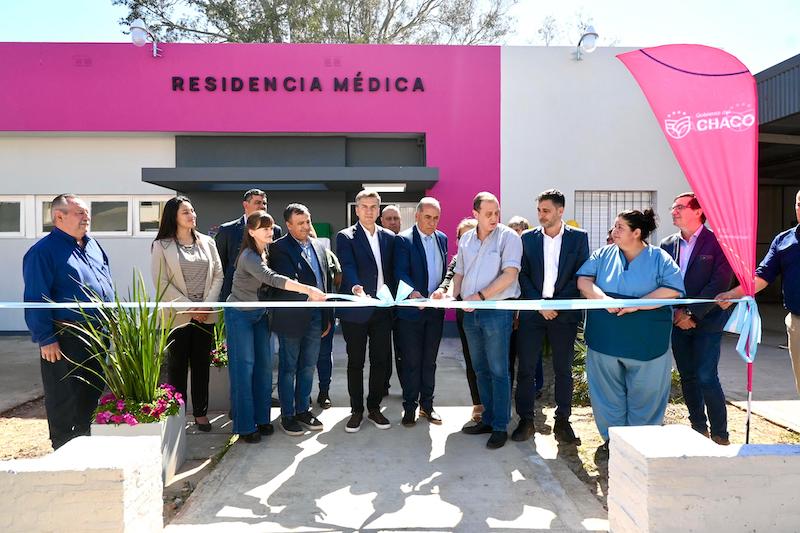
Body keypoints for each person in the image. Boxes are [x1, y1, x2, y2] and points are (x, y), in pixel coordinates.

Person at [577, 209, 684, 449]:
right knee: (607, 395)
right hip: (605, 340)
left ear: (637, 233)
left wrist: (637, 305)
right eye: (614, 227)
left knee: (646, 395)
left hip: (647, 344)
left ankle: (640, 444)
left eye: (619, 228)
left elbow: (673, 289)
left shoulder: (660, 258)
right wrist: (602, 298)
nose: (613, 232)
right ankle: (613, 442)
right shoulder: (602, 255)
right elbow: (583, 280)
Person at [23, 194, 115, 450]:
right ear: (58, 217)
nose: (86, 217)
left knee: (92, 391)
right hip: (65, 338)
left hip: (98, 334)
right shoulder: (43, 252)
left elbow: (106, 284)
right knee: (65, 395)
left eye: (86, 213)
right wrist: (46, 338)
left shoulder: (93, 245)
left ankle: (85, 443)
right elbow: (35, 298)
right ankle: (63, 447)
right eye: (79, 213)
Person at [225, 211, 325, 443]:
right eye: (264, 228)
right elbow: (272, 279)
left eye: (271, 228)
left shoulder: (266, 252)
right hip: (239, 315)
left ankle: (262, 420)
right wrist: (308, 290)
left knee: (264, 368)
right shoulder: (249, 256)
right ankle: (244, 425)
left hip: (260, 315)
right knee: (244, 369)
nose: (269, 232)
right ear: (251, 231)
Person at [515, 190, 589, 443]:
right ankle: (525, 420)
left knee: (563, 370)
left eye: (546, 210)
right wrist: (539, 304)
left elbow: (580, 276)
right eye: (538, 210)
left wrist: (554, 304)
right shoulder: (527, 238)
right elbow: (522, 274)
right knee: (525, 368)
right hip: (533, 313)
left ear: (560, 211)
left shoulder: (578, 238)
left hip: (563, 314)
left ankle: (563, 422)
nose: (540, 215)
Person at [660, 193, 734, 445]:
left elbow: (720, 282)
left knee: (706, 376)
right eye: (673, 207)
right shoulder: (667, 244)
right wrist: (676, 314)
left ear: (699, 210)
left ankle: (720, 433)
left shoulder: (718, 242)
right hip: (677, 321)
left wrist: (691, 313)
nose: (674, 212)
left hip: (708, 321)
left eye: (679, 207)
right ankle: (698, 427)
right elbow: (663, 282)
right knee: (687, 376)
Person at [453, 191, 522, 449]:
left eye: (497, 213)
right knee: (480, 368)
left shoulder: (509, 238)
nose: (494, 218)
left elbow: (510, 275)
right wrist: (453, 297)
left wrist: (479, 297)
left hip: (496, 311)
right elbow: (459, 272)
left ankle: (500, 425)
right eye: (488, 213)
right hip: (470, 312)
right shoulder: (467, 239)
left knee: (498, 369)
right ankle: (488, 418)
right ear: (475, 214)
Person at [717, 189, 800, 396]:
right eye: (799, 204)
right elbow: (762, 277)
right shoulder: (784, 241)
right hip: (798, 323)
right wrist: (732, 294)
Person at [151, 196, 224, 432]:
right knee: (177, 366)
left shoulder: (207, 242)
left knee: (202, 364)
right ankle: (178, 414)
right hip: (177, 316)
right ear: (173, 216)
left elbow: (218, 276)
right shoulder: (161, 245)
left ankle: (201, 413)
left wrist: (205, 306)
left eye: (193, 210)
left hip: (205, 314)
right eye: (185, 212)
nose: (192, 215)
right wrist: (191, 308)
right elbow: (161, 281)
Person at [268, 204, 333, 435]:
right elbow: (286, 282)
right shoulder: (278, 249)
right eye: (300, 223)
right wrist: (309, 294)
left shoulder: (318, 245)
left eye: (308, 221)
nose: (306, 226)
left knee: (308, 367)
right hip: (291, 319)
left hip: (316, 317)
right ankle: (288, 415)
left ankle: (303, 410)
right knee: (289, 368)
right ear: (288, 225)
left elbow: (324, 281)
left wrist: (327, 316)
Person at [337, 190, 396, 433]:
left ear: (379, 210)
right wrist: (355, 288)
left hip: (382, 309)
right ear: (357, 209)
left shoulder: (390, 237)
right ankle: (356, 410)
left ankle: (374, 407)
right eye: (364, 206)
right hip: (356, 310)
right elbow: (347, 266)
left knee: (381, 360)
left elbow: (393, 270)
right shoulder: (346, 236)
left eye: (374, 206)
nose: (369, 210)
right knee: (356, 361)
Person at [395, 197, 448, 426]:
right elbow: (400, 272)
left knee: (430, 361)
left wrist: (443, 290)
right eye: (428, 217)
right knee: (412, 361)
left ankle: (428, 406)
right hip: (411, 312)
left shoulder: (442, 239)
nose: (432, 222)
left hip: (435, 311)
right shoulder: (403, 240)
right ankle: (409, 407)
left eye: (436, 218)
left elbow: (446, 271)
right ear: (417, 216)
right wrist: (414, 293)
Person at [438, 218, 482, 422]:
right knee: (472, 360)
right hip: (466, 317)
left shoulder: (492, 256)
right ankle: (478, 404)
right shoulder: (458, 259)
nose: (467, 239)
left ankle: (498, 405)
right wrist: (442, 291)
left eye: (471, 233)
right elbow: (449, 279)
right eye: (462, 236)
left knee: (496, 364)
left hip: (493, 317)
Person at [215, 189, 283, 301]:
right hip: (236, 297)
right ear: (245, 205)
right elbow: (220, 265)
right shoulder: (227, 230)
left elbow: (275, 262)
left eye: (264, 203)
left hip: (265, 297)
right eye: (257, 203)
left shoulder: (275, 230)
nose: (262, 206)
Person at [506, 215, 545, 402]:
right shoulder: (507, 252)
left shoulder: (532, 252)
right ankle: (512, 386)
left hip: (530, 309)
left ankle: (537, 386)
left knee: (532, 352)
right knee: (511, 352)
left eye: (519, 230)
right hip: (511, 308)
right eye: (512, 230)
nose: (516, 234)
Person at [309, 223, 342, 409]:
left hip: (325, 313)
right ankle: (306, 395)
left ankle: (324, 392)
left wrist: (329, 317)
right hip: (302, 316)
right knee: (303, 358)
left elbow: (337, 280)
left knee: (323, 355)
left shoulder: (327, 255)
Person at [379, 203, 403, 397]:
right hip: (382, 305)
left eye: (396, 219)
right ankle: (383, 385)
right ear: (382, 221)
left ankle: (407, 388)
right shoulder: (378, 242)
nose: (393, 222)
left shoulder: (405, 241)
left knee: (403, 349)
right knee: (383, 350)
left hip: (403, 304)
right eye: (389, 219)